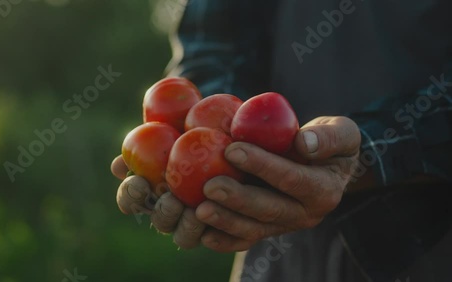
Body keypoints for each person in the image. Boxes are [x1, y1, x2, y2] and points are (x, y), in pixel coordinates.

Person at [111, 1, 452, 281]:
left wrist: (370, 152)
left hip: (429, 241)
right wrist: (217, 148)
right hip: (273, 252)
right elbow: (216, 40)